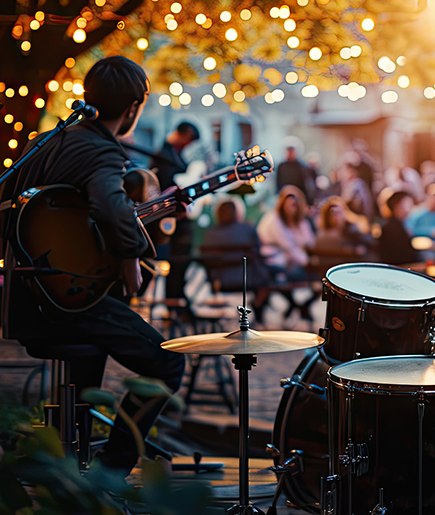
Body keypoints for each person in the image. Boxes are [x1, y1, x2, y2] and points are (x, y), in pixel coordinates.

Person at [2, 56, 185, 474]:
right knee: (168, 363)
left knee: (97, 345)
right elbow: (110, 206)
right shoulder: (104, 151)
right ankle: (112, 469)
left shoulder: (45, 140)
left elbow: (24, 210)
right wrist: (130, 260)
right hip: (69, 305)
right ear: (134, 107)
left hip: (26, 300)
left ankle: (69, 459)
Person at [150, 121, 200, 309]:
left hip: (175, 217)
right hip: (168, 217)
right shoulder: (164, 155)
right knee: (177, 258)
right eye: (189, 141)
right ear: (185, 134)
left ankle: (177, 297)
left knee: (182, 258)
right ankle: (174, 300)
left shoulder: (171, 154)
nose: (188, 146)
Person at [200, 199, 270, 324]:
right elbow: (257, 253)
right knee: (270, 275)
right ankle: (258, 312)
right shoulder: (247, 229)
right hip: (248, 280)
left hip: (220, 281)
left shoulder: (210, 233)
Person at [257, 185, 316, 325]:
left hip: (290, 263)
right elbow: (288, 246)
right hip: (272, 263)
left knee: (317, 276)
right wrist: (307, 261)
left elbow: (309, 242)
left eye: (295, 204)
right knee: (281, 280)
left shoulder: (300, 221)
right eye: (288, 203)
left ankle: (298, 306)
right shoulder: (274, 220)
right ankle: (296, 306)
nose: (291, 207)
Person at [405, 182, 435, 261]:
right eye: (434, 197)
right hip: (421, 250)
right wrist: (429, 232)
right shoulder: (417, 213)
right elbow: (409, 230)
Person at [377, 190, 420, 265]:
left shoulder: (405, 223)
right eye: (408, 203)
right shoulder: (390, 227)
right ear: (397, 205)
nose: (411, 206)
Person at [275, 138, 315, 205]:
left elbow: (307, 184)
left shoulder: (302, 166)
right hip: (285, 198)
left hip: (300, 198)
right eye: (288, 150)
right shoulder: (281, 166)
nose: (290, 152)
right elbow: (278, 183)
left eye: (292, 150)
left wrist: (309, 202)